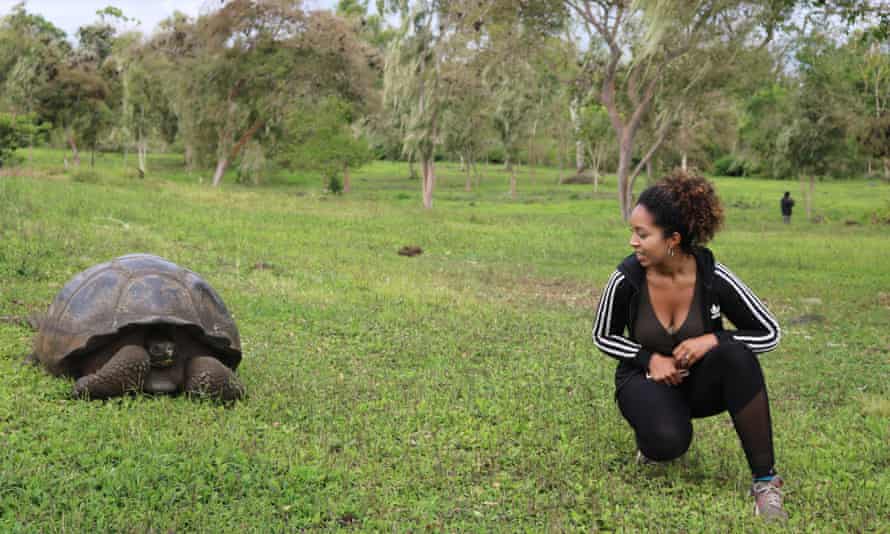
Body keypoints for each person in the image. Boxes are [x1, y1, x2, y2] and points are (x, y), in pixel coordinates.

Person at [592, 169, 787, 521]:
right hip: (643, 381)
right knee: (668, 442)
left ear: (673, 239)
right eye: (633, 233)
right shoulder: (626, 279)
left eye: (642, 234)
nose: (633, 242)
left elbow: (769, 332)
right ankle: (653, 437)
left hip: (698, 384)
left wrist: (713, 338)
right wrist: (648, 358)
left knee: (737, 356)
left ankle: (765, 483)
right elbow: (602, 335)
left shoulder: (714, 278)